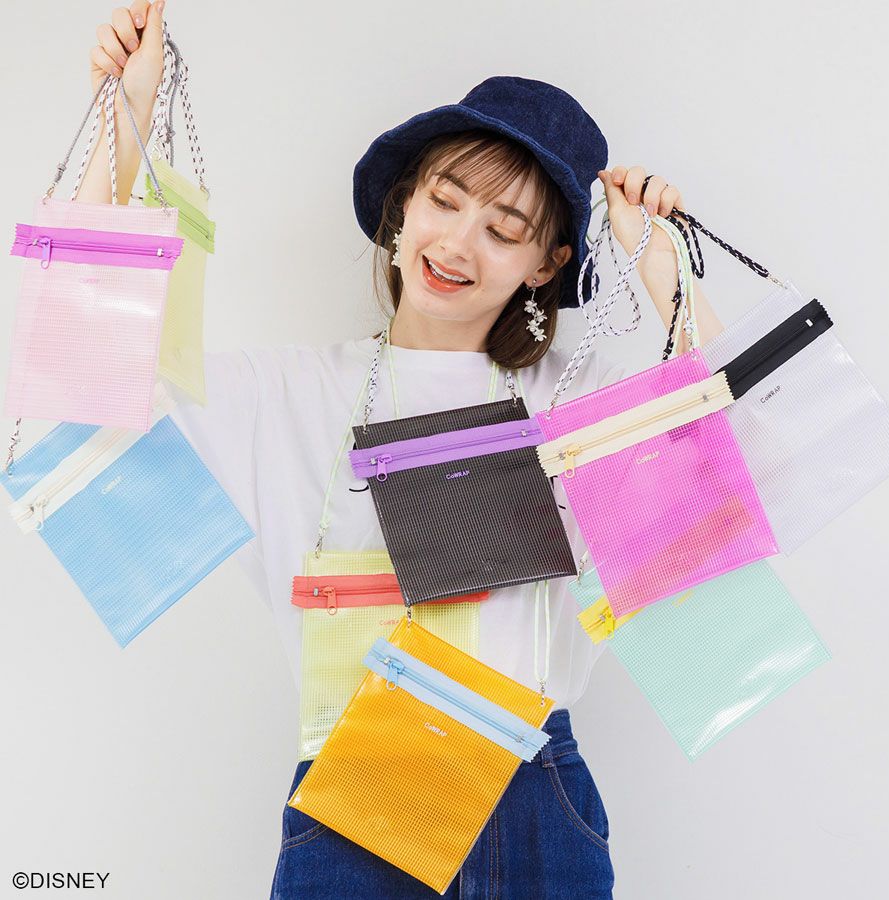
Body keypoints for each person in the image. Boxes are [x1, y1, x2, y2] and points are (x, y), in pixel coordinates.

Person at [80, 2, 724, 896]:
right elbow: (93, 373)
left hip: (533, 802)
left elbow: (722, 479)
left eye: (503, 229)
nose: (456, 243)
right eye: (444, 201)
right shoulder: (289, 395)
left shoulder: (577, 406)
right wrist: (125, 120)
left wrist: (663, 268)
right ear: (404, 204)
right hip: (358, 793)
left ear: (546, 264)